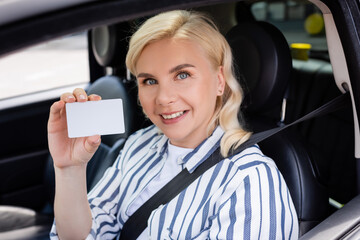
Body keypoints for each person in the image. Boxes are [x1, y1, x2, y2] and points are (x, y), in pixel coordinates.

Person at [49, 10, 298, 240]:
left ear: (219, 81)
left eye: (182, 75)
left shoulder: (248, 182)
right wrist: (69, 168)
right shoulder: (140, 144)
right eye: (149, 81)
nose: (163, 98)